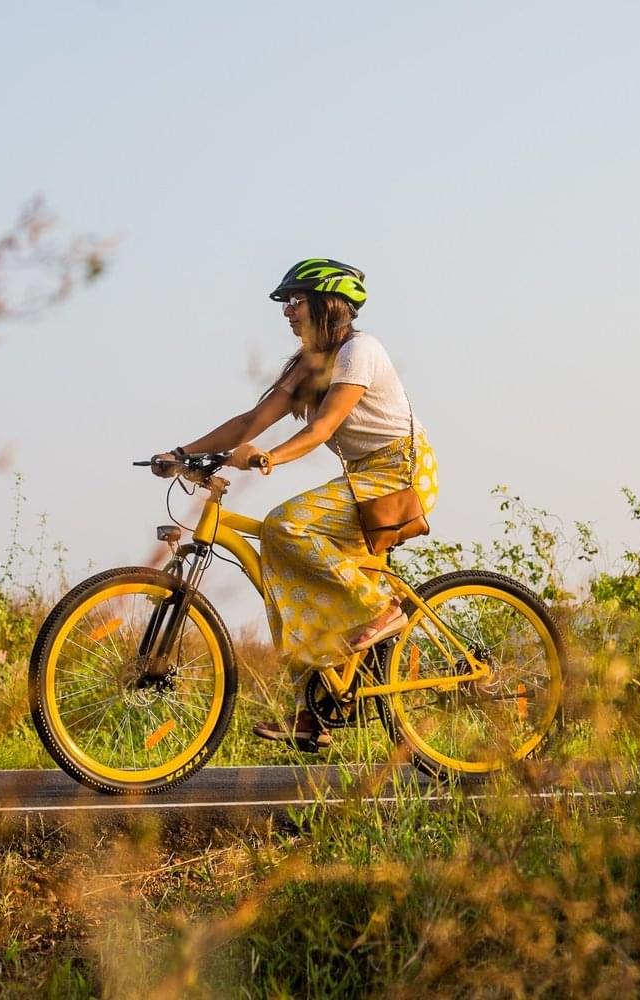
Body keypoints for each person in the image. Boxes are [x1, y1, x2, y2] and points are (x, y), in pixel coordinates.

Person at [151, 258, 438, 749]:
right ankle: (316, 712)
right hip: (363, 478)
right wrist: (184, 453)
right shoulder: (312, 363)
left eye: (295, 300)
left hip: (398, 474)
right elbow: (250, 421)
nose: (287, 311)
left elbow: (321, 428)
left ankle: (379, 608)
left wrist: (269, 459)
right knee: (289, 577)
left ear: (328, 303)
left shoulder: (360, 351)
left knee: (284, 525)